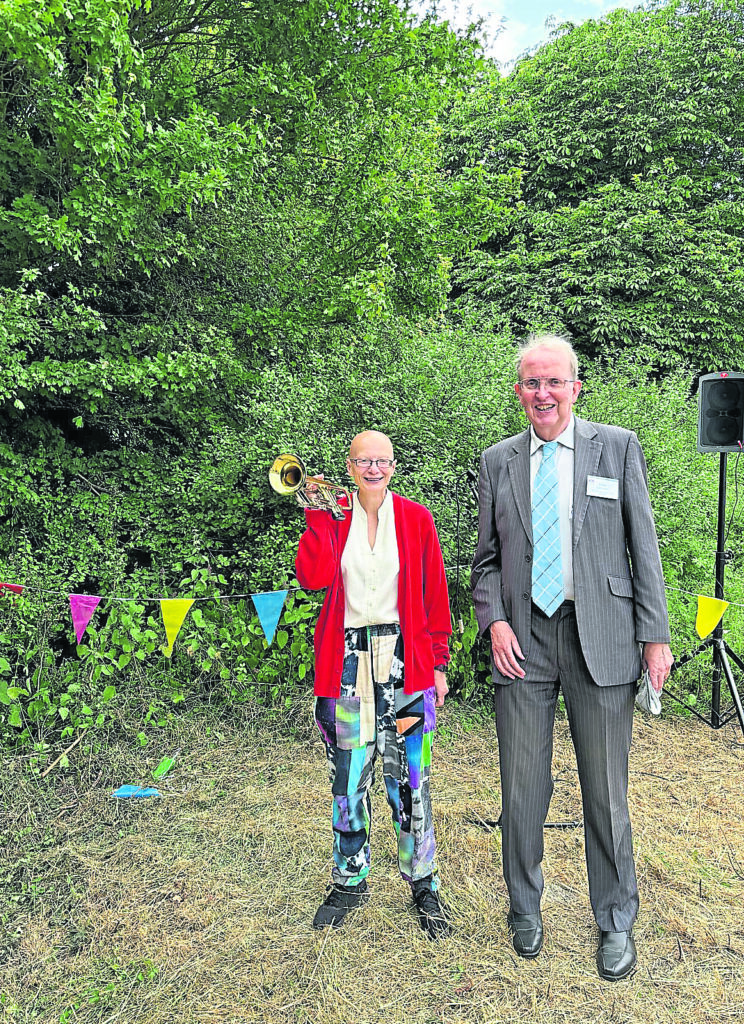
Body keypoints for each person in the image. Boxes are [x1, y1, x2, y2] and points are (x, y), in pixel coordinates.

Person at [471, 334, 673, 980]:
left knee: (605, 793)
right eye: (532, 383)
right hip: (524, 643)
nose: (544, 394)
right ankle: (523, 907)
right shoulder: (498, 462)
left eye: (555, 382)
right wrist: (495, 622)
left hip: (604, 638)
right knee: (523, 788)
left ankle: (615, 919)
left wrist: (655, 635)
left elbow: (645, 548)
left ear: (576, 387)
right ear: (518, 392)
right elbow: (485, 564)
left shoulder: (616, 447)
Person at [295, 430, 453, 940]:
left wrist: (439, 663)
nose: (374, 468)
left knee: (410, 777)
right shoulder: (334, 516)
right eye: (364, 460)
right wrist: (317, 516)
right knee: (348, 776)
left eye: (381, 460)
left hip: (406, 662)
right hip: (344, 664)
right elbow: (312, 578)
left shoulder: (416, 519)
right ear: (349, 465)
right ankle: (350, 878)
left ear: (392, 465)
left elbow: (434, 595)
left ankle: (422, 881)